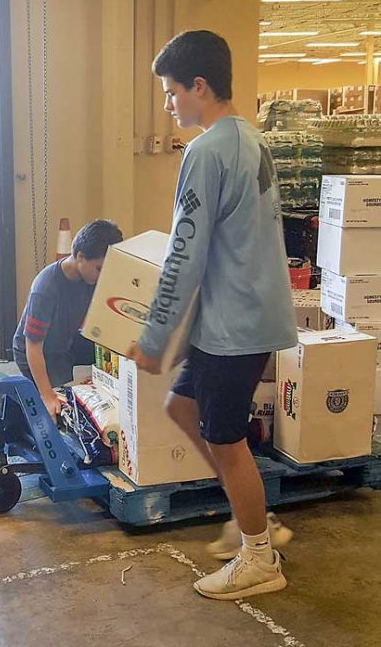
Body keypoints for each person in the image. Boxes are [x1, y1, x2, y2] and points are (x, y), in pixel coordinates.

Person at [126, 31, 298, 601]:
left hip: (235, 326)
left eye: (171, 92)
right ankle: (252, 516)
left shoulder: (206, 152)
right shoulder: (249, 138)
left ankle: (258, 554)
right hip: (241, 315)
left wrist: (153, 336)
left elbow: (184, 253)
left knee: (225, 439)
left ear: (199, 86)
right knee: (183, 406)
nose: (168, 104)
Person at [13, 219, 123, 419]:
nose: (103, 275)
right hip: (40, 352)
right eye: (99, 268)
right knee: (61, 405)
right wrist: (47, 396)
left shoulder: (90, 278)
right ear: (80, 257)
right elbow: (33, 347)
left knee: (113, 352)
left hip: (66, 340)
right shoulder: (46, 288)